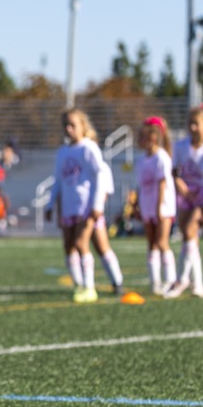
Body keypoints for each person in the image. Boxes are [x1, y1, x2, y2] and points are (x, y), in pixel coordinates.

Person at [44, 108, 106, 303]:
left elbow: (101, 175)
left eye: (73, 125)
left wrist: (97, 205)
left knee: (81, 244)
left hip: (85, 206)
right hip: (69, 206)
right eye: (66, 125)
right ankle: (79, 285)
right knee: (68, 246)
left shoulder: (89, 148)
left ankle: (90, 287)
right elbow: (58, 180)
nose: (68, 129)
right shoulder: (62, 152)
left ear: (83, 126)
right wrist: (50, 204)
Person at [165, 105, 203, 298]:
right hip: (185, 196)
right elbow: (174, 170)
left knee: (191, 230)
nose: (192, 128)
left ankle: (182, 280)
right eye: (189, 123)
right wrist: (177, 180)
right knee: (188, 237)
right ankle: (197, 284)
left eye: (196, 124)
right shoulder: (181, 146)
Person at [135, 116, 176, 295]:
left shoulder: (162, 157)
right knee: (151, 244)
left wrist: (159, 208)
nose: (139, 140)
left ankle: (171, 280)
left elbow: (162, 184)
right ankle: (155, 282)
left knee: (162, 242)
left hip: (162, 207)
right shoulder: (142, 159)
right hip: (147, 206)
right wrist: (137, 205)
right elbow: (140, 185)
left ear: (152, 138)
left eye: (142, 137)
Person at [83, 122, 125, 296]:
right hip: (79, 214)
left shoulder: (102, 167)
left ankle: (117, 282)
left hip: (93, 214)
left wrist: (96, 206)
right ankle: (85, 285)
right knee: (79, 246)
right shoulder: (81, 167)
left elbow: (106, 189)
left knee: (102, 247)